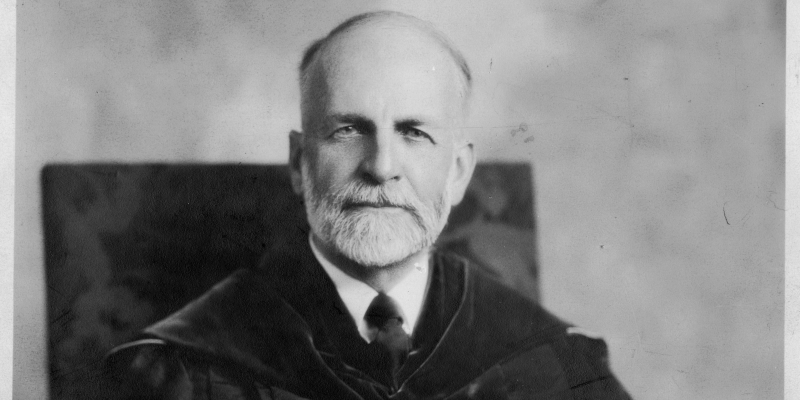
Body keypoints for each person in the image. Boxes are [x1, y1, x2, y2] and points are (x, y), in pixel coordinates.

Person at [105, 11, 632, 399]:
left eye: (414, 132)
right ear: (299, 163)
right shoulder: (181, 373)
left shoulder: (555, 366)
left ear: (457, 172)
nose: (381, 166)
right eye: (348, 130)